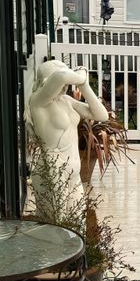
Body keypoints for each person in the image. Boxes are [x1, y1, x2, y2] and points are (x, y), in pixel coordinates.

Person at [28, 59, 108, 207]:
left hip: (73, 171)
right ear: (46, 82)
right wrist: (81, 75)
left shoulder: (66, 101)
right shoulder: (38, 102)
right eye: (61, 85)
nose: (64, 87)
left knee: (77, 223)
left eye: (66, 85)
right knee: (59, 224)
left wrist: (84, 85)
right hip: (53, 169)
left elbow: (102, 115)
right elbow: (62, 76)